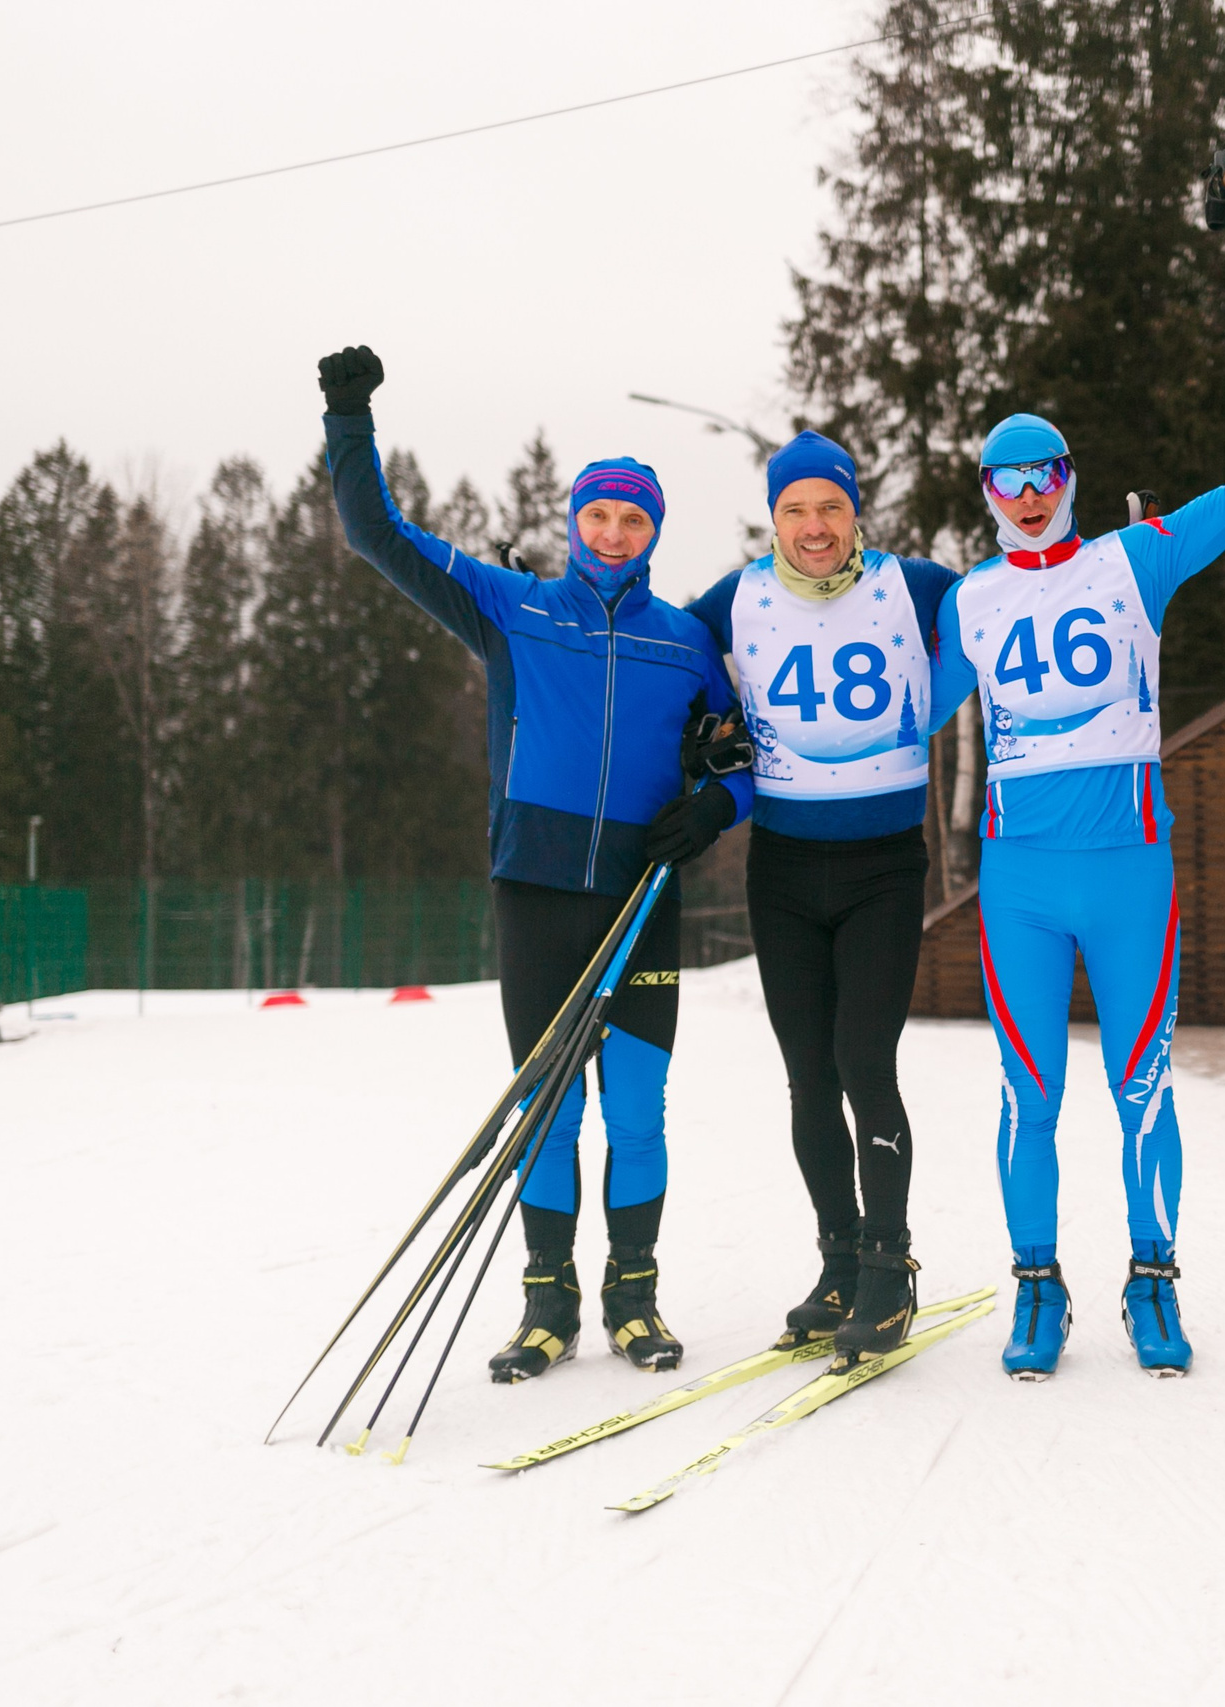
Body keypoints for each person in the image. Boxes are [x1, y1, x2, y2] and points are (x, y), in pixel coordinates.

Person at [315, 345, 753, 1384]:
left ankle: (634, 1299)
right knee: (545, 1110)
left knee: (637, 1110)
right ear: (574, 525)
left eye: (633, 520)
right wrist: (348, 417)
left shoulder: (687, 641)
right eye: (598, 516)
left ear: (653, 532)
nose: (614, 534)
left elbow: (754, 760)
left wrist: (715, 805)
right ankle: (546, 1302)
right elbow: (373, 535)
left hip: (642, 903)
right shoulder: (513, 608)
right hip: (538, 899)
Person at [929, 410, 1225, 1379]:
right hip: (1022, 885)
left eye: (1045, 474)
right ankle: (1037, 1283)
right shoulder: (971, 601)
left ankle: (1152, 1279)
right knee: (1028, 1091)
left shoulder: (1134, 561)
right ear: (989, 496)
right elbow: (900, 709)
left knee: (1144, 1086)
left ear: (1071, 478)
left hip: (1130, 872)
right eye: (1009, 481)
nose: (1031, 495)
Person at [688, 433, 958, 1369]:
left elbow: (1002, 613)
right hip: (785, 867)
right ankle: (839, 1260)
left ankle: (890, 1268)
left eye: (830, 507)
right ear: (775, 519)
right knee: (809, 1072)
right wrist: (706, 739)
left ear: (856, 513)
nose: (813, 527)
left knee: (863, 1059)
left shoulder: (914, 582)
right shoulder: (735, 598)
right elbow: (662, 659)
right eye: (795, 510)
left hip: (883, 863)